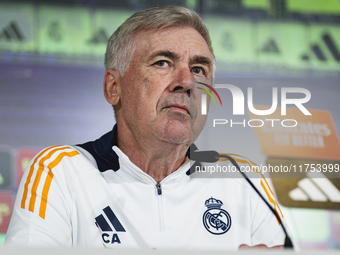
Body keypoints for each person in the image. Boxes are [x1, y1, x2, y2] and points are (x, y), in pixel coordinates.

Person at [5, 6, 286, 250]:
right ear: (114, 88)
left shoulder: (246, 180)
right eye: (163, 63)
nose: (187, 82)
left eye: (199, 69)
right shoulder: (61, 172)